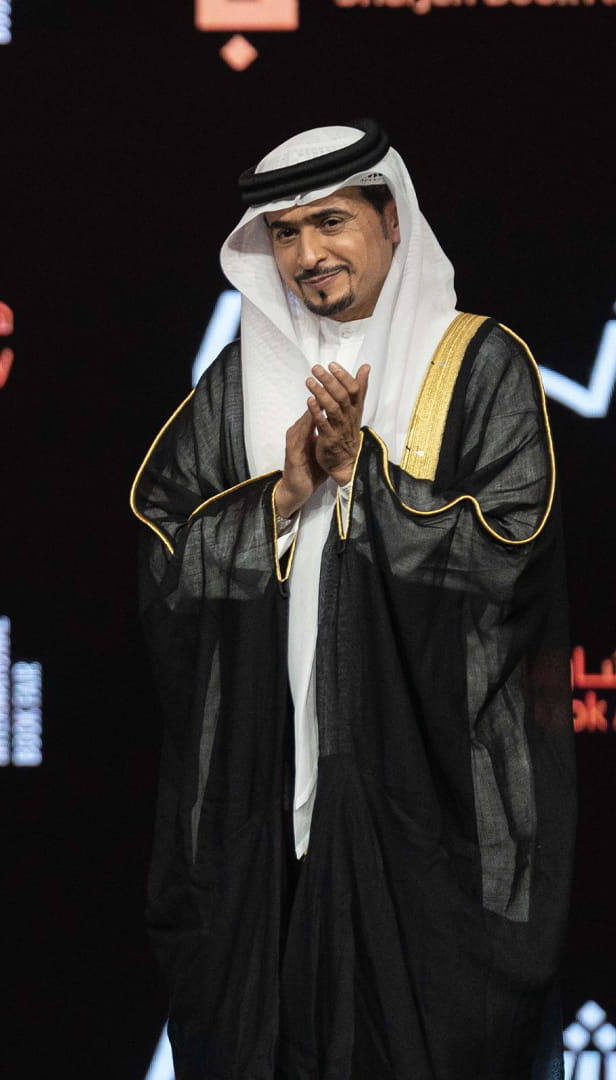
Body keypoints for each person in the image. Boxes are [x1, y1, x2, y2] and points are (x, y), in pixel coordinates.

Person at [130, 120, 574, 1078]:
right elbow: (166, 555)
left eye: (330, 222)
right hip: (264, 816)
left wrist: (364, 482)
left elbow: (510, 563)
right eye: (285, 233)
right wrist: (282, 498)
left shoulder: (478, 365)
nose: (307, 254)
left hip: (427, 829)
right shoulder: (239, 385)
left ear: (391, 220)